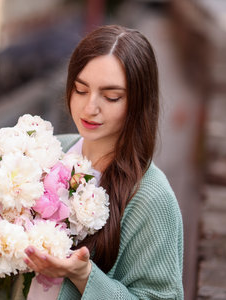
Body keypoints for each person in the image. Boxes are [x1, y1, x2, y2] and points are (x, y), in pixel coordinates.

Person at [23, 25, 184, 299]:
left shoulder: (152, 198)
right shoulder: (45, 152)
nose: (89, 108)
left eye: (111, 97)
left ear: (138, 102)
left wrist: (84, 276)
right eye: (81, 89)